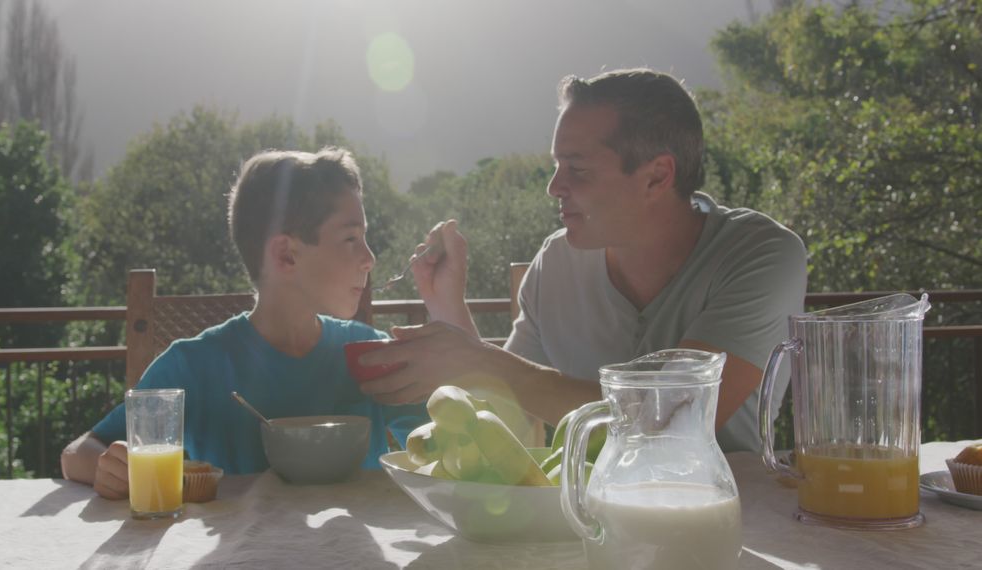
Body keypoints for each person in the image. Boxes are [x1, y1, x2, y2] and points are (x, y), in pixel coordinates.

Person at [357, 68, 807, 453]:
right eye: (556, 166)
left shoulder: (762, 256)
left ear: (656, 176)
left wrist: (480, 360)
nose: (554, 187)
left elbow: (670, 424)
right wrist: (448, 310)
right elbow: (515, 429)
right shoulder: (556, 261)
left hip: (727, 532)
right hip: (573, 521)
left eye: (578, 169)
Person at [61, 148, 428, 499]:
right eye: (351, 238)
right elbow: (78, 452)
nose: (369, 258)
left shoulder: (371, 356)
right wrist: (107, 469)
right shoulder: (194, 366)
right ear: (286, 254)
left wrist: (445, 303)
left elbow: (460, 445)